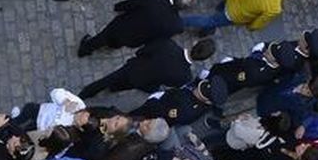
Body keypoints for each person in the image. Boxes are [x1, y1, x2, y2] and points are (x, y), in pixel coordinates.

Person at [81, 37, 217, 97]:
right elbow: (167, 84)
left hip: (133, 67)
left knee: (107, 80)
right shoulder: (185, 76)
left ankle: (86, 93)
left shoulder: (168, 44)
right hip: (142, 82)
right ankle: (114, 89)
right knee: (121, 86)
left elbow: (142, 51)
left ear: (195, 43)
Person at [78, 0, 197, 56]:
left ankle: (86, 49)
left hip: (122, 25)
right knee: (118, 43)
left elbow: (133, 3)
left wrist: (119, 7)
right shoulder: (176, 26)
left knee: (104, 36)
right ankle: (111, 46)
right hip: (135, 39)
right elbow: (158, 39)